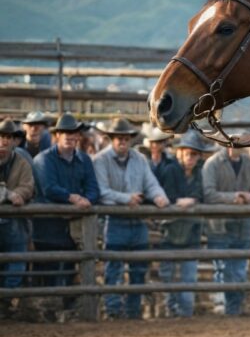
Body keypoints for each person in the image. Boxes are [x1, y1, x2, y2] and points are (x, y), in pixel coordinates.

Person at [93, 116, 169, 319]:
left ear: (131, 139)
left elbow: (150, 183)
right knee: (113, 269)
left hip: (138, 221)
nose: (122, 142)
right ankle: (113, 310)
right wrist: (127, 198)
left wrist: (159, 196)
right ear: (111, 139)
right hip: (115, 221)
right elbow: (101, 191)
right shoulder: (100, 160)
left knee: (138, 269)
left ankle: (133, 311)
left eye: (125, 138)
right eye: (118, 138)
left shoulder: (139, 159)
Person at [31, 113, 100, 316]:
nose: (70, 137)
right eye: (66, 133)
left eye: (73, 133)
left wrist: (87, 199)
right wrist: (74, 198)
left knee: (71, 268)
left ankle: (70, 309)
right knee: (47, 268)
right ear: (57, 135)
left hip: (73, 226)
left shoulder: (83, 159)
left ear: (78, 136)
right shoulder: (44, 160)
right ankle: (45, 311)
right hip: (49, 227)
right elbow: (49, 188)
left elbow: (94, 188)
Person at [203, 137, 250, 316]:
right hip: (219, 225)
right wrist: (234, 197)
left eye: (243, 141)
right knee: (222, 268)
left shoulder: (249, 162)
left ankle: (234, 308)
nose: (240, 144)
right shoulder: (212, 164)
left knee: (239, 268)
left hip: (242, 224)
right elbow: (209, 193)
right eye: (237, 141)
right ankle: (222, 307)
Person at [157, 130, 212, 317]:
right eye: (187, 152)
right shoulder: (170, 170)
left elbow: (203, 194)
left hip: (191, 232)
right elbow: (167, 195)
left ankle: (186, 313)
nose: (190, 157)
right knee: (168, 276)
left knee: (189, 276)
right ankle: (170, 310)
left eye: (194, 153)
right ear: (179, 152)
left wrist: (192, 200)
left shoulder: (201, 171)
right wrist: (182, 201)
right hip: (170, 230)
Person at [0, 118, 35, 313]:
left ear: (15, 141)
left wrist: (19, 194)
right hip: (10, 219)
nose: (4, 141)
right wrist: (7, 194)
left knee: (16, 263)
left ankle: (5, 303)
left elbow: (28, 186)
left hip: (13, 223)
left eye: (9, 137)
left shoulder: (21, 162)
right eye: (2, 137)